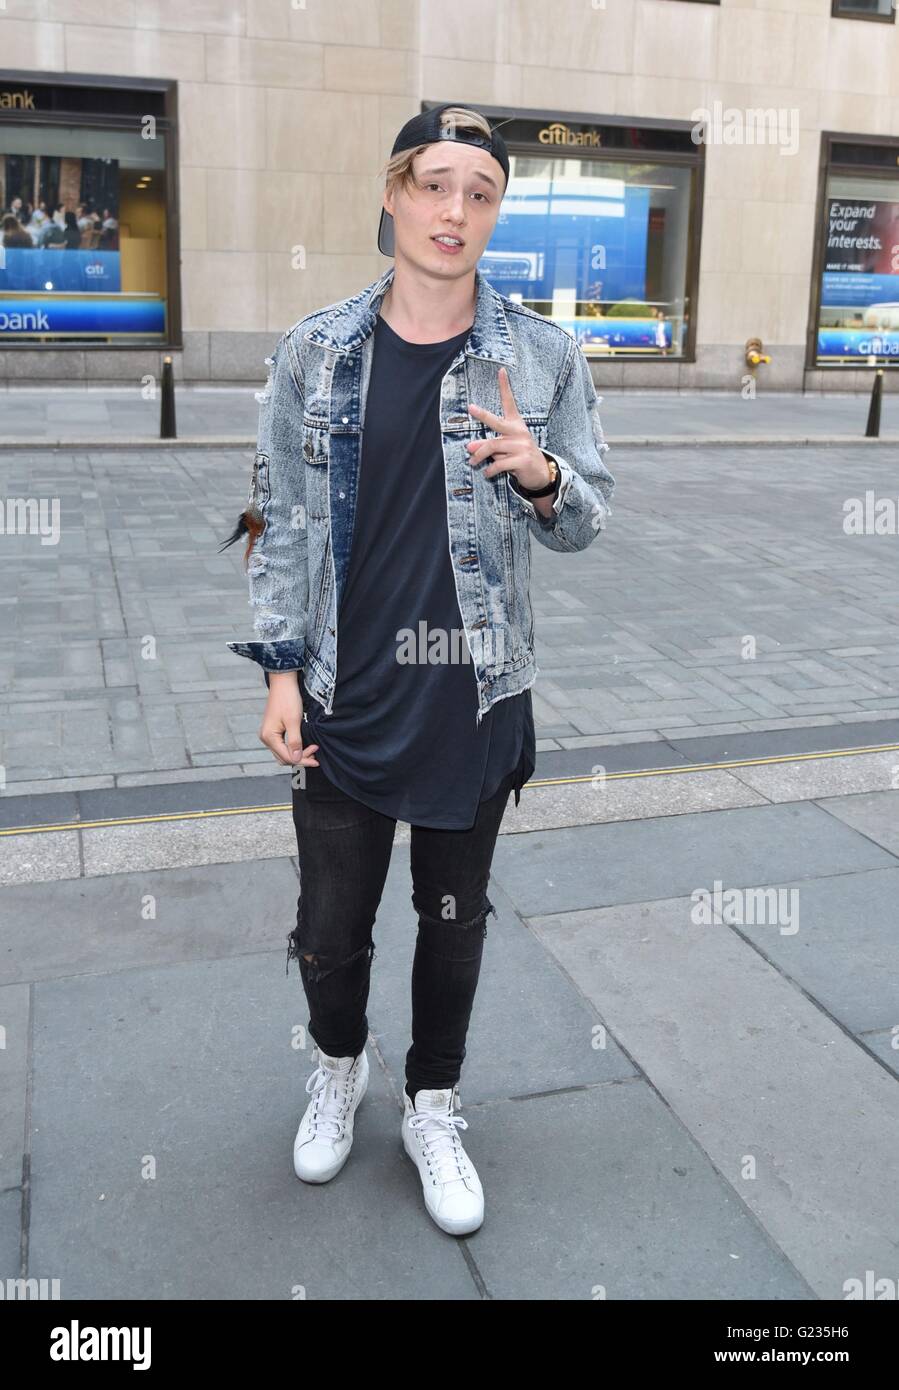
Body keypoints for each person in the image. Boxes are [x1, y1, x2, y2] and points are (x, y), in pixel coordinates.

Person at [222, 103, 615, 1236]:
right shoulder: (316, 350)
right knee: (330, 929)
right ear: (393, 194)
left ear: (495, 211)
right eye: (434, 185)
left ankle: (433, 1101)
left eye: (479, 192)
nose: (454, 212)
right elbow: (278, 522)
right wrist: (279, 673)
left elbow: (583, 522)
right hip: (346, 698)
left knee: (454, 921)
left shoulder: (540, 354)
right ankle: (337, 1068)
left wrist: (541, 476)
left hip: (473, 695)